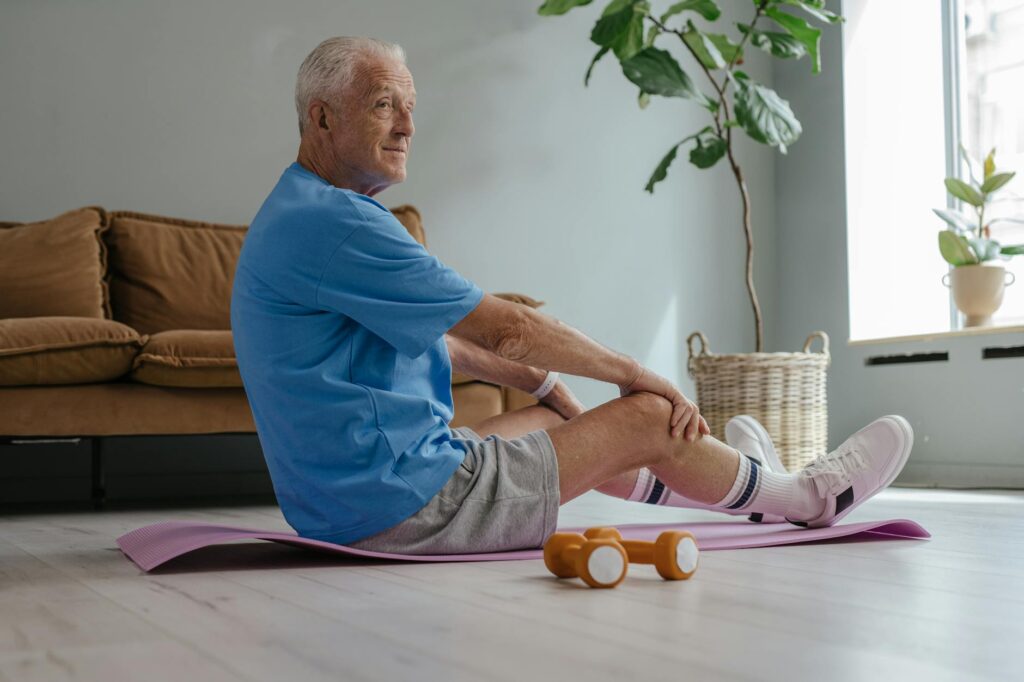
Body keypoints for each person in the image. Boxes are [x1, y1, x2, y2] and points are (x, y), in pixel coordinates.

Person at [230, 36, 913, 554]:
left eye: (410, 107)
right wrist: (636, 376)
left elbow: (445, 345)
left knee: (553, 420)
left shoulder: (297, 210)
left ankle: (751, 485)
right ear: (322, 118)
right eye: (385, 105)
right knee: (649, 418)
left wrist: (545, 384)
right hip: (409, 507)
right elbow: (507, 329)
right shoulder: (340, 224)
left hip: (344, 506)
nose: (408, 125)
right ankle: (808, 497)